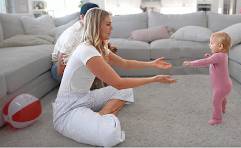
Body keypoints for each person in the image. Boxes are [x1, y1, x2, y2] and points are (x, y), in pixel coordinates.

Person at [52, 8, 176, 147]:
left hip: (85, 97)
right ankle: (103, 117)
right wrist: (154, 79)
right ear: (96, 25)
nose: (112, 28)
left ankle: (103, 114)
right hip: (68, 109)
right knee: (110, 135)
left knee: (127, 90)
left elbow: (126, 63)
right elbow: (119, 83)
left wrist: (152, 64)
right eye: (108, 24)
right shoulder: (87, 50)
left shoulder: (99, 47)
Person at [51, 2, 118, 82]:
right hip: (59, 66)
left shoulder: (93, 29)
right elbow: (61, 59)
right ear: (82, 17)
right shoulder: (74, 33)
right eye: (91, 18)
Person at [183, 32, 232, 125]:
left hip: (221, 87)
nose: (209, 45)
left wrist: (191, 63)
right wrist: (210, 57)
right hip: (226, 85)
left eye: (212, 43)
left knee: (215, 101)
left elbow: (205, 62)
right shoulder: (223, 55)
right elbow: (215, 63)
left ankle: (217, 119)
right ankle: (223, 108)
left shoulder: (218, 56)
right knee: (222, 98)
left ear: (220, 46)